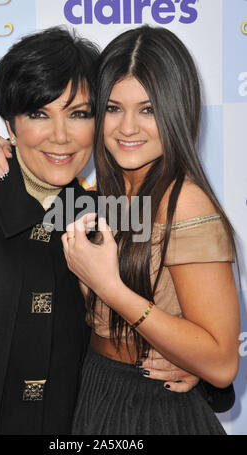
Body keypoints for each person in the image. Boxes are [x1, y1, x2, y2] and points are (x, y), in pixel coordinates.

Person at [0, 26, 200, 435]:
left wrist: (185, 365)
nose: (61, 136)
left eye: (79, 114)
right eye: (38, 114)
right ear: (10, 122)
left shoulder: (110, 211)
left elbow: (177, 326)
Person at [61, 25, 240, 435]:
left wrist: (111, 288)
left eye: (148, 109)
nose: (127, 128)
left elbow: (221, 362)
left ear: (177, 110)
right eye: (112, 107)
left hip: (154, 409)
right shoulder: (101, 194)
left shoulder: (185, 201)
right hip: (95, 390)